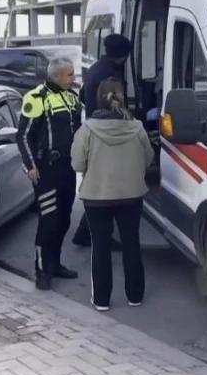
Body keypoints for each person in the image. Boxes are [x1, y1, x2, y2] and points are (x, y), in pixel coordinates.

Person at [71, 77, 154, 311]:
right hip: (131, 195)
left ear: (98, 99)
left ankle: (101, 300)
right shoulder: (137, 127)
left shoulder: (87, 129)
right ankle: (135, 296)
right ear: (123, 98)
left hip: (96, 197)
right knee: (131, 243)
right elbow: (148, 158)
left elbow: (77, 164)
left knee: (100, 245)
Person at [16, 57, 82, 291]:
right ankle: (41, 270)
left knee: (64, 219)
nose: (73, 78)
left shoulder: (73, 97)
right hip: (46, 169)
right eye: (69, 75)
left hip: (68, 168)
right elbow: (23, 136)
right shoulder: (36, 98)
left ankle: (55, 263)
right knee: (49, 220)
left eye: (73, 74)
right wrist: (31, 166)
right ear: (56, 76)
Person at [73, 33, 133, 248]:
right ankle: (92, 234)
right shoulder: (110, 74)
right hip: (105, 132)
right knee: (105, 191)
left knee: (100, 188)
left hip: (94, 128)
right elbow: (115, 104)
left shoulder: (96, 68)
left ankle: (85, 232)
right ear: (124, 56)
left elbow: (81, 97)